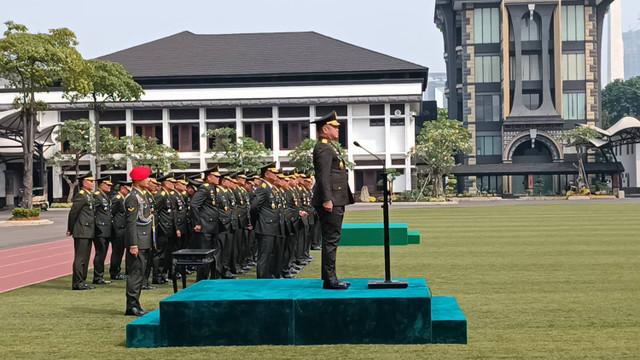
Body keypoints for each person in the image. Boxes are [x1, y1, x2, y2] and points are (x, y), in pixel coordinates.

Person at [312, 111, 355, 290]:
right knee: (330, 240)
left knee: (332, 240)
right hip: (332, 200)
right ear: (325, 129)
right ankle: (330, 280)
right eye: (334, 127)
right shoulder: (323, 148)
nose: (338, 130)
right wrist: (327, 199)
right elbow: (323, 177)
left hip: (337, 199)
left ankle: (329, 277)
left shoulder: (330, 146)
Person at [125, 166, 154, 317]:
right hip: (138, 242)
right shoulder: (132, 197)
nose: (149, 180)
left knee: (140, 274)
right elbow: (131, 223)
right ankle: (132, 306)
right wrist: (133, 245)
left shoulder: (143, 195)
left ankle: (136, 304)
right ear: (138, 180)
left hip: (145, 240)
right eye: (146, 177)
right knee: (136, 274)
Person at [251, 164, 286, 278]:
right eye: (274, 173)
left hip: (273, 226)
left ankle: (269, 275)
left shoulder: (271, 188)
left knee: (272, 254)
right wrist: (257, 221)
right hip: (266, 226)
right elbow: (254, 207)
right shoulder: (263, 187)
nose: (276, 175)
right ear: (266, 174)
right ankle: (261, 279)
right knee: (264, 255)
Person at [190, 167, 222, 280]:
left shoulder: (213, 189)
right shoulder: (204, 188)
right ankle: (202, 279)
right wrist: (197, 223)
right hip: (205, 227)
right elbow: (194, 205)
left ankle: (213, 277)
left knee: (213, 254)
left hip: (213, 226)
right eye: (216, 176)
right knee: (205, 255)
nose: (219, 178)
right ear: (209, 177)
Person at [67, 172, 96, 291]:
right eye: (90, 181)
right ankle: (77, 283)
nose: (93, 183)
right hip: (81, 230)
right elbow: (73, 212)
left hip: (88, 230)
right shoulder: (81, 195)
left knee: (86, 257)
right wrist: (70, 228)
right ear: (84, 183)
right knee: (80, 258)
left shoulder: (89, 195)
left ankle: (83, 281)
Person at [93, 176, 114, 285]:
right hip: (100, 229)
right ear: (102, 185)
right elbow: (92, 212)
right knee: (100, 254)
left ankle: (99, 276)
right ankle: (97, 277)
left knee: (103, 254)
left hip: (106, 229)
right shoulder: (97, 196)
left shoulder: (105, 196)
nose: (110, 187)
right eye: (108, 185)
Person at [109, 181, 130, 280]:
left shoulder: (122, 198)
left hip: (122, 229)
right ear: (122, 188)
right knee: (117, 252)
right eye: (127, 189)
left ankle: (117, 271)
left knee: (120, 252)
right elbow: (110, 213)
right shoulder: (117, 199)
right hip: (118, 229)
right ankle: (114, 272)